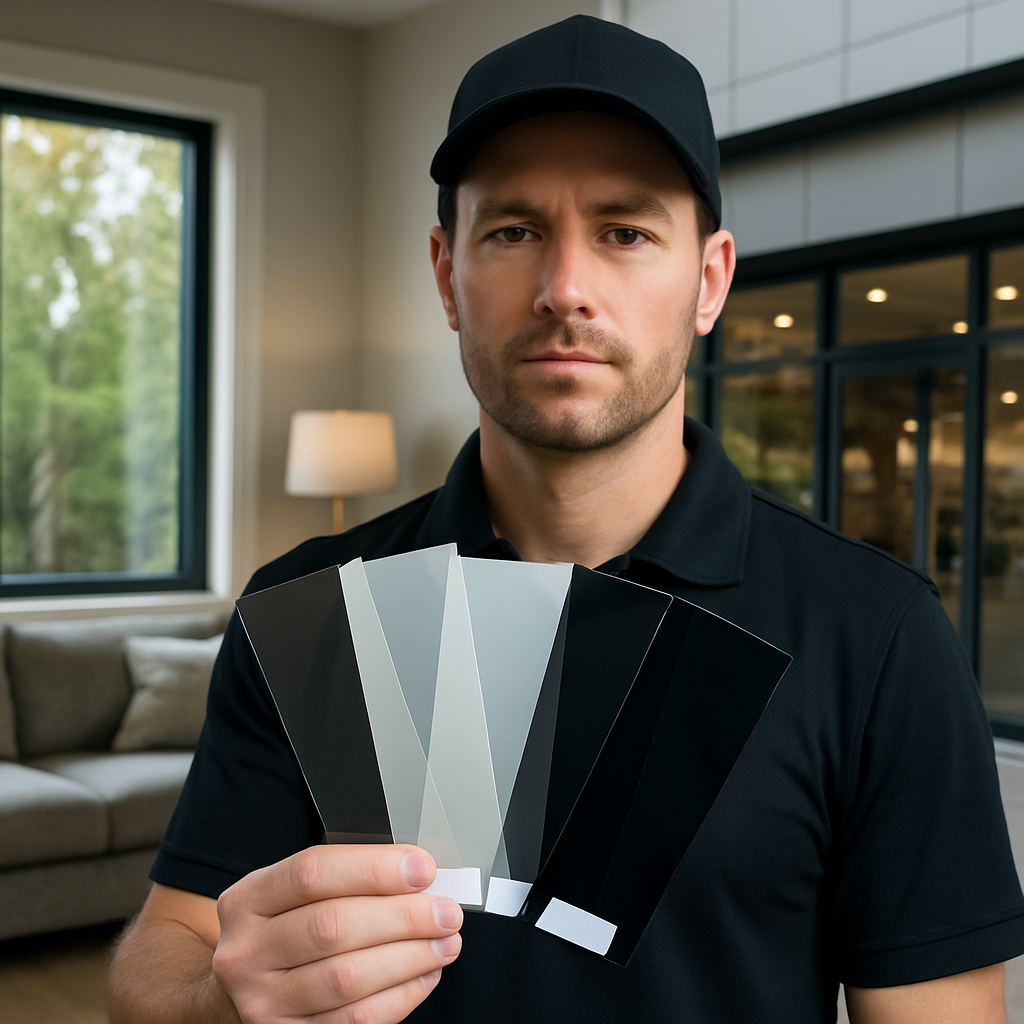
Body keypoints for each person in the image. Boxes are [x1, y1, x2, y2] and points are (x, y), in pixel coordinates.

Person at [107, 15, 1024, 1024]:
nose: (564, 290)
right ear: (446, 274)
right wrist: (223, 1001)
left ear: (710, 280)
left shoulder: (878, 636)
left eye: (626, 232)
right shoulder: (311, 607)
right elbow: (161, 956)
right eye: (513, 231)